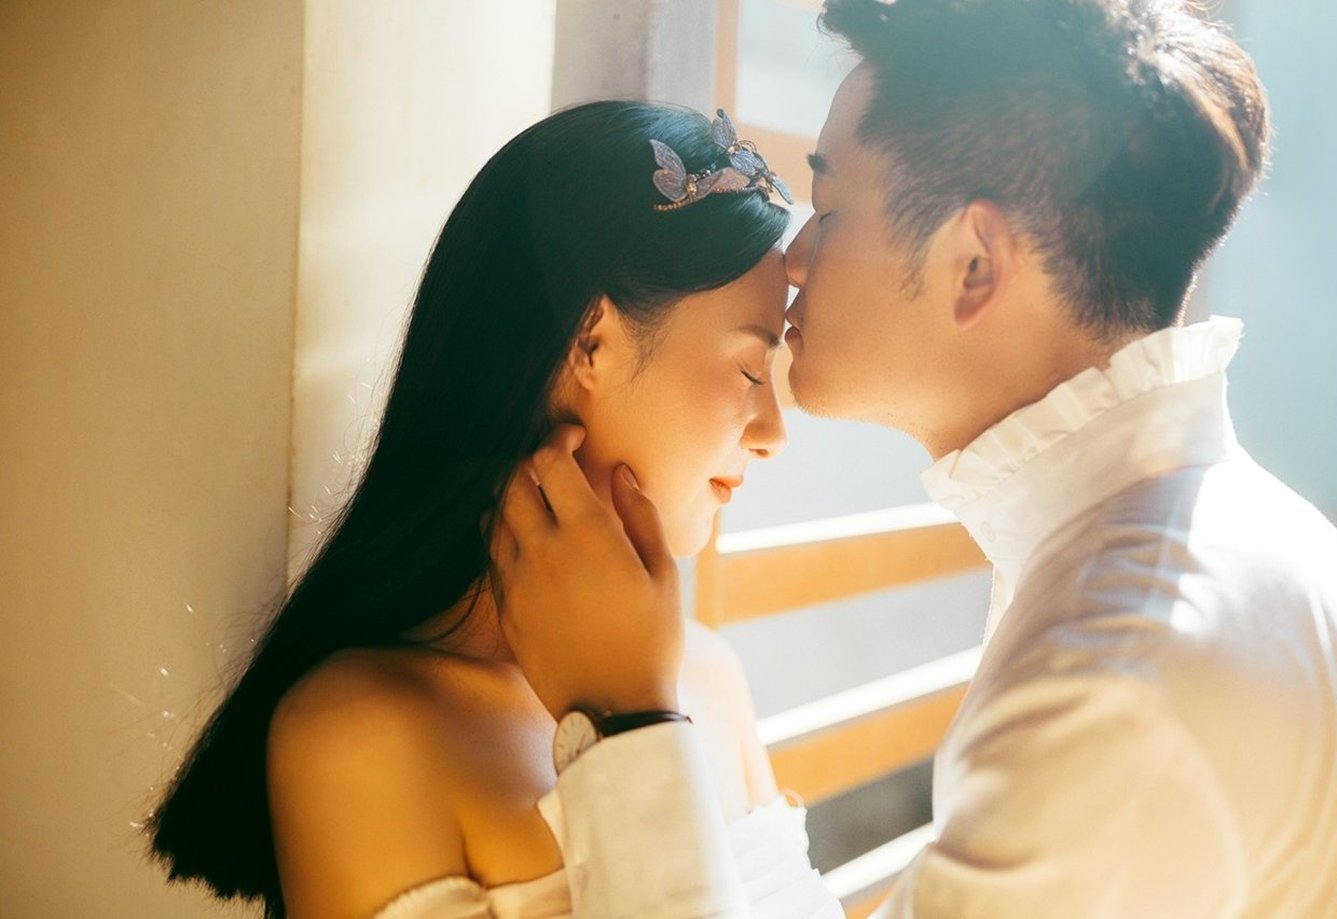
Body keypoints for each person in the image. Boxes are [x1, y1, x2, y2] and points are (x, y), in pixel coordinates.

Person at [491, 1, 1337, 916]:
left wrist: (627, 723)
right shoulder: (1228, 547)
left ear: (974, 267)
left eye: (830, 211)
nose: (794, 259)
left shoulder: (1113, 676)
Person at [146, 101, 844, 918]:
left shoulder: (711, 675)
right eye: (752, 372)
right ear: (590, 341)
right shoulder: (363, 735)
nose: (774, 434)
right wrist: (631, 726)